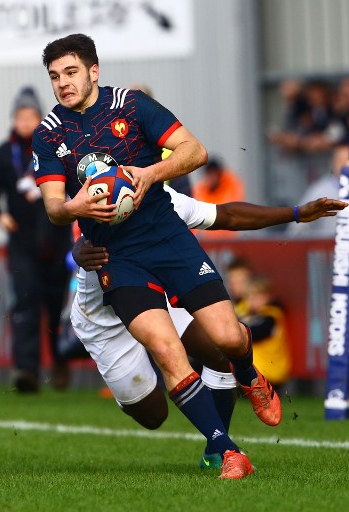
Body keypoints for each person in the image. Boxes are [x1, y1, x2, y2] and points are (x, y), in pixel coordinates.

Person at [33, 33, 279, 479]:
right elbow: (53, 206)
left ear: (93, 71)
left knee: (227, 337)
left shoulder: (132, 105)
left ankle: (248, 372)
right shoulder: (49, 133)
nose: (63, 83)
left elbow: (195, 151)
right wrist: (76, 207)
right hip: (117, 257)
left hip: (167, 238)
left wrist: (150, 173)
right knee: (168, 355)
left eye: (70, 72)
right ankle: (227, 452)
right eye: (54, 77)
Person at [71, 188, 347, 469]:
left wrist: (297, 213)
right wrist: (77, 249)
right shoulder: (100, 199)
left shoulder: (163, 198)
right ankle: (135, 395)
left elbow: (229, 215)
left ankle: (219, 449)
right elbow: (71, 233)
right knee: (154, 416)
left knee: (217, 349)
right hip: (105, 321)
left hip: (154, 296)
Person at [0, 86, 73, 393]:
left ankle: (60, 364)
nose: (25, 122)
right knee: (25, 303)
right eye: (20, 116)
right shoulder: (4, 153)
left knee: (56, 305)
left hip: (57, 239)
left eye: (31, 116)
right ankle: (26, 370)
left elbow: (76, 182)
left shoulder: (57, 147)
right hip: (21, 243)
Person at [241, 276, 292, 388]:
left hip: (271, 372)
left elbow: (257, 333)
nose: (254, 300)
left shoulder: (272, 315)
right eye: (251, 297)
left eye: (259, 297)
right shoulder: (246, 312)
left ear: (267, 297)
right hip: (259, 371)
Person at [191, 157, 245, 239]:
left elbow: (233, 209)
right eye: (209, 174)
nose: (211, 178)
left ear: (219, 174)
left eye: (213, 174)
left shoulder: (231, 184)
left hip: (230, 237)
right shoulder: (200, 189)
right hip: (209, 239)